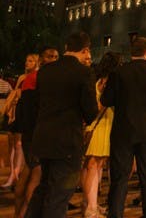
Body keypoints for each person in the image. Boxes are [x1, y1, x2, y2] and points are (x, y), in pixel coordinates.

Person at [26, 32, 98, 217]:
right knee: (59, 195)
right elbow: (90, 113)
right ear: (85, 50)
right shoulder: (84, 72)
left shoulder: (45, 71)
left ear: (66, 48)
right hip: (66, 142)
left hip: (43, 138)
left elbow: (37, 104)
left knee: (43, 188)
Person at [101, 36, 146, 218]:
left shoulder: (119, 73)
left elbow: (106, 100)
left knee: (120, 177)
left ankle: (115, 213)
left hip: (123, 130)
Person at [13, 46, 59, 218]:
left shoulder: (30, 78)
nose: (53, 59)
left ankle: (19, 214)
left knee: (28, 170)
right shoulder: (39, 79)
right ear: (41, 59)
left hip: (30, 133)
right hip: (37, 134)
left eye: (56, 56)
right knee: (36, 175)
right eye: (49, 56)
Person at [81, 52, 122, 218]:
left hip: (100, 124)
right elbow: (101, 105)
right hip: (102, 124)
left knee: (94, 166)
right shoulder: (107, 82)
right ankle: (91, 208)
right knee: (93, 165)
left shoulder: (97, 79)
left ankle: (91, 203)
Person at [2, 54, 38, 191]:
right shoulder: (22, 78)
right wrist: (10, 109)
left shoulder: (37, 77)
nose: (27, 63)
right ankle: (14, 175)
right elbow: (15, 93)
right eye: (26, 60)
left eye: (30, 61)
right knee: (14, 144)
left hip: (27, 115)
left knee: (20, 145)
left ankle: (17, 175)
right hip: (18, 112)